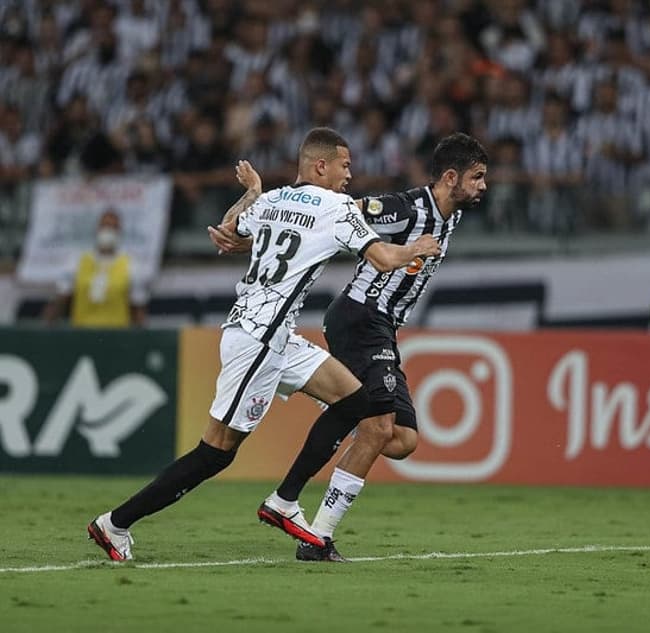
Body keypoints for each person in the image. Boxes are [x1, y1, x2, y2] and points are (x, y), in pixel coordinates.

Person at [87, 127, 441, 561]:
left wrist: (252, 191)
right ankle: (115, 523)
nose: (351, 175)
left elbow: (228, 232)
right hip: (259, 339)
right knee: (215, 453)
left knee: (355, 399)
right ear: (320, 165)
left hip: (273, 334)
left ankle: (284, 500)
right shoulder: (338, 208)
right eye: (345, 166)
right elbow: (384, 259)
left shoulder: (272, 199)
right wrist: (418, 248)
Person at [210, 132, 488, 562]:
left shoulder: (450, 216)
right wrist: (249, 241)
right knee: (378, 427)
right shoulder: (405, 208)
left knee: (402, 440)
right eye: (477, 177)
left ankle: (338, 405)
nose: (483, 186)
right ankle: (316, 537)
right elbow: (334, 220)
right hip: (361, 316)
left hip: (383, 325)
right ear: (451, 178)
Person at [43, 208, 148, 327]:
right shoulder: (76, 261)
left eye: (113, 227)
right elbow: (62, 297)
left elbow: (137, 307)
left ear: (119, 231)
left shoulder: (131, 265)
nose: (108, 231)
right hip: (82, 332)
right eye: (105, 226)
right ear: (97, 229)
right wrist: (50, 319)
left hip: (117, 334)